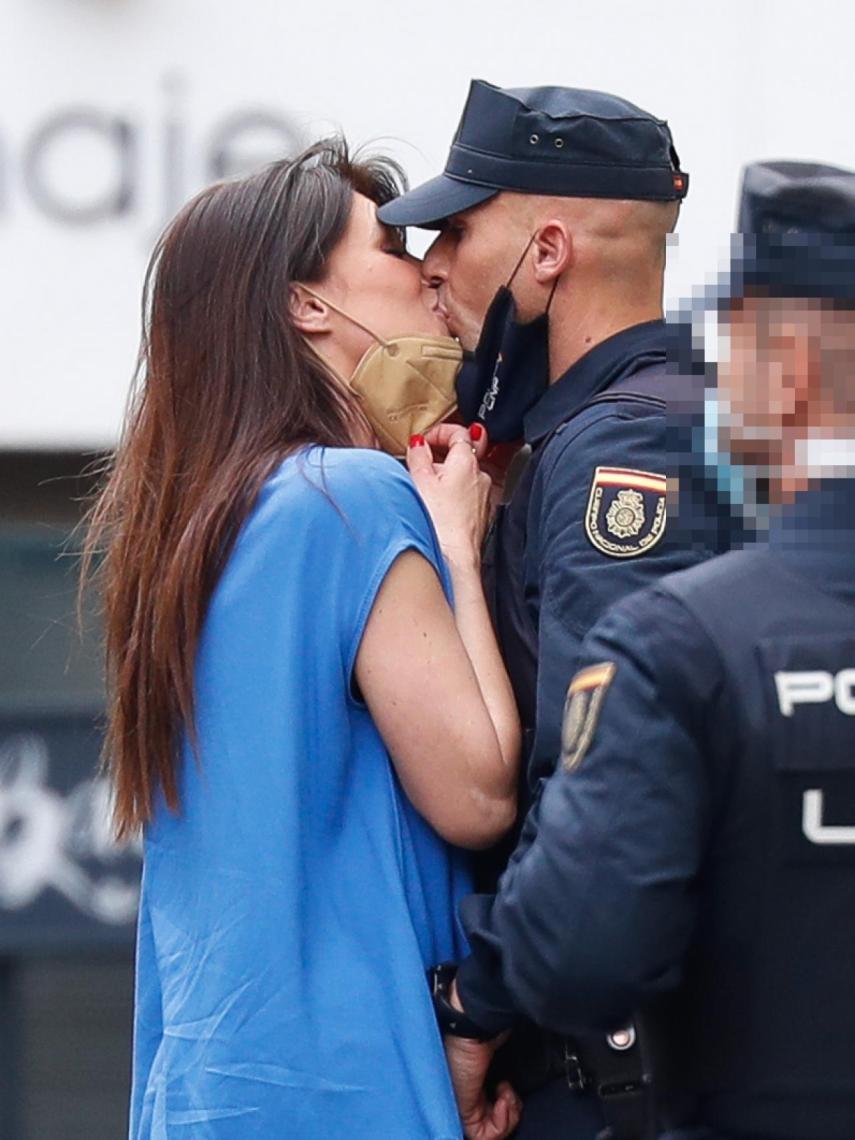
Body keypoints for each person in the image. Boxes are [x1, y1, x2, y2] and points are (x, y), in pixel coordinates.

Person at [82, 139, 523, 1139]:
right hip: (350, 1087)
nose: (426, 270)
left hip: (207, 1087)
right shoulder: (350, 497)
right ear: (307, 304)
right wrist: (458, 550)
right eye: (392, 244)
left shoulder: (194, 529)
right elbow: (479, 792)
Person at [437, 159, 855, 1140]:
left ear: (787, 372)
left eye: (731, 350)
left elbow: (579, 943)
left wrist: (474, 1001)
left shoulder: (684, 642)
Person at [379, 79, 713, 1135]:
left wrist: (476, 1011)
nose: (430, 262)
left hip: (610, 1086)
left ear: (551, 251)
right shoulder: (605, 433)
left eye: (459, 229)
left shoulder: (628, 450)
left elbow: (603, 783)